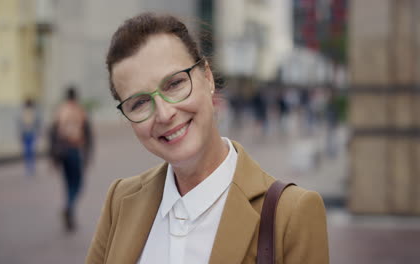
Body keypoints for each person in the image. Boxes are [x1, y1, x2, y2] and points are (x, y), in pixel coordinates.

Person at [86, 12, 328, 264]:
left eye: (174, 84)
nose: (165, 113)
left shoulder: (290, 213)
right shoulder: (120, 200)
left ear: (208, 77)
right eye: (139, 103)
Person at [51, 86, 93, 232]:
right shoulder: (80, 111)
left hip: (62, 152)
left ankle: (69, 210)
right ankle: (69, 206)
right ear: (76, 96)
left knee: (68, 183)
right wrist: (88, 155)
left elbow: (53, 133)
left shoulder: (60, 111)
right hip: (74, 151)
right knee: (78, 184)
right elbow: (88, 134)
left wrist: (53, 157)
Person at [18, 98, 41, 177]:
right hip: (28, 134)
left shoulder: (28, 112)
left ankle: (30, 168)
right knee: (29, 151)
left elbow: (37, 124)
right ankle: (30, 168)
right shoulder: (27, 113)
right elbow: (21, 125)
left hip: (30, 134)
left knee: (29, 152)